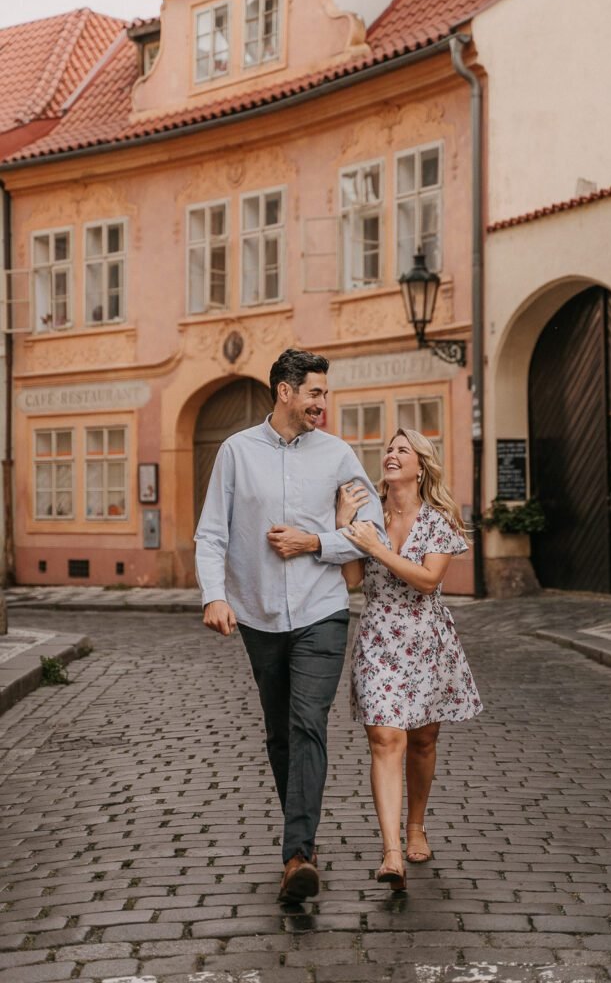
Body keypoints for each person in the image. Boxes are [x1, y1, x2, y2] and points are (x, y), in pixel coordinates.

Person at [194, 348, 385, 903]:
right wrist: (214, 596)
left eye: (325, 394)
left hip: (321, 609)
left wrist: (317, 542)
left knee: (308, 724)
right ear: (285, 391)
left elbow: (371, 525)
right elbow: (212, 534)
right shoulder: (236, 452)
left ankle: (298, 853)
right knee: (280, 734)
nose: (323, 404)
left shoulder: (337, 455)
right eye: (315, 393)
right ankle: (304, 839)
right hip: (257, 615)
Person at [335, 427, 482, 890]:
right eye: (390, 449)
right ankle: (391, 851)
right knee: (384, 737)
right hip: (379, 634)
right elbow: (352, 577)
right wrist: (344, 525)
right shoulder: (369, 513)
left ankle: (416, 825)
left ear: (422, 466)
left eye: (404, 450)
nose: (392, 455)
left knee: (422, 740)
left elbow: (426, 580)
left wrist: (378, 548)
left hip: (426, 637)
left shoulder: (438, 518)